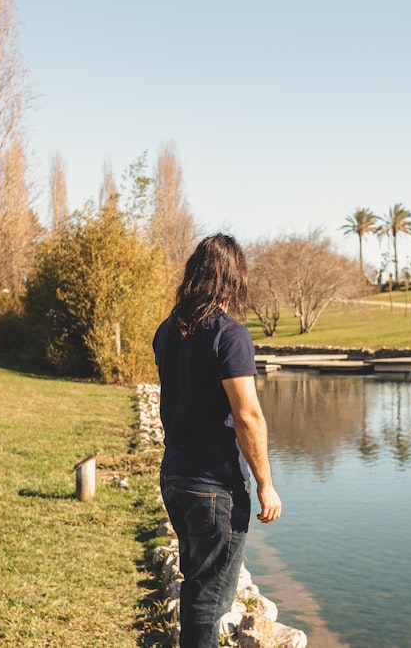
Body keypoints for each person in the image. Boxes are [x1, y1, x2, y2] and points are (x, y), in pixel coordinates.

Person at [153, 234, 283, 648]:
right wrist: (265, 483)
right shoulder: (229, 335)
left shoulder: (167, 331)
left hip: (175, 477)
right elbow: (248, 413)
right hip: (214, 485)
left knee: (197, 588)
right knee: (210, 601)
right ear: (234, 278)